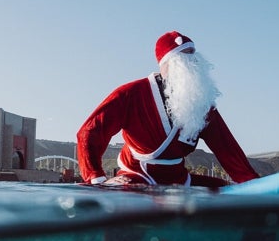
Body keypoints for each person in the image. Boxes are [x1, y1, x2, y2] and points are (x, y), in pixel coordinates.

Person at [76, 30, 259, 187]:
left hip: (179, 179)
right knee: (126, 205)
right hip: (137, 177)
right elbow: (90, 132)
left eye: (192, 55)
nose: (191, 62)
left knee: (229, 192)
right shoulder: (130, 94)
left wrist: (252, 184)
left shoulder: (200, 103)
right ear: (166, 63)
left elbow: (227, 148)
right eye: (183, 56)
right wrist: (96, 178)